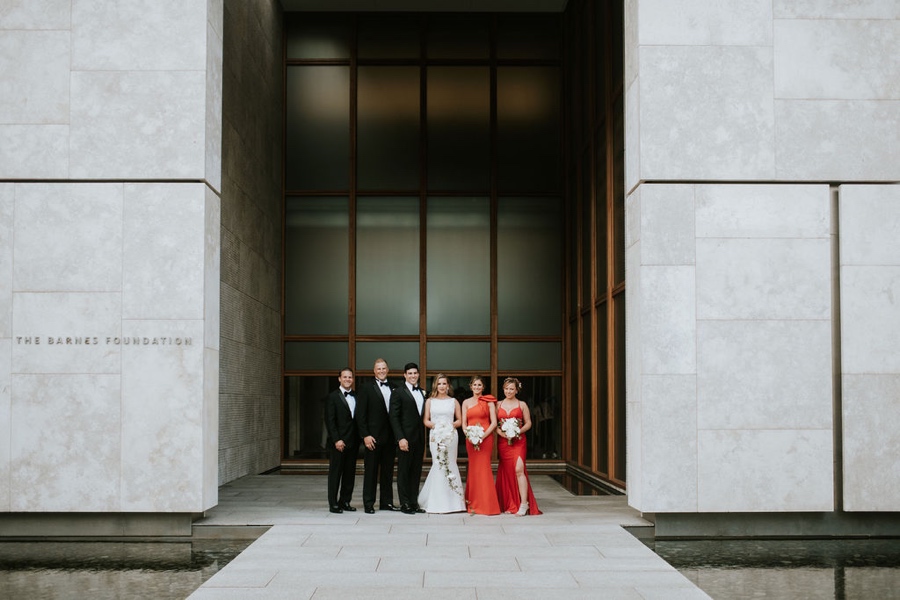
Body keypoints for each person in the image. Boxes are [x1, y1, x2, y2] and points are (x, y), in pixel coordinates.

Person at [417, 373, 466, 513]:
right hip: (436, 435)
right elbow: (426, 420)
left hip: (450, 435)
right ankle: (437, 502)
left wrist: (449, 426)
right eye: (439, 383)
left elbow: (459, 420)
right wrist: (436, 427)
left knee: (450, 463)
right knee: (438, 464)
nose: (442, 386)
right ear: (435, 386)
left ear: (448, 385)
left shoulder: (454, 401)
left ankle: (454, 502)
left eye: (444, 383)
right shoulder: (430, 401)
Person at [355, 358, 399, 514]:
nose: (381, 371)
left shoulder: (394, 387)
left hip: (390, 438)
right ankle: (368, 503)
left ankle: (386, 503)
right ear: (374, 371)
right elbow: (360, 415)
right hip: (372, 438)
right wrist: (365, 435)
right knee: (371, 472)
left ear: (388, 370)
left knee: (387, 472)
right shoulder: (366, 388)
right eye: (378, 368)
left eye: (384, 368)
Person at [495, 377, 541, 516]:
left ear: (516, 390)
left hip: (519, 441)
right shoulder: (497, 405)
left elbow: (528, 423)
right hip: (504, 442)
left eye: (511, 389)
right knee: (508, 471)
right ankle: (510, 502)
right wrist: (502, 434)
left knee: (519, 469)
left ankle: (524, 504)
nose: (509, 391)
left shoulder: (522, 405)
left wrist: (517, 431)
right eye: (506, 388)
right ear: (503, 389)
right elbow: (494, 424)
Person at [389, 362, 427, 514]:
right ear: (405, 375)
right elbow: (394, 417)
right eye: (409, 373)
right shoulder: (398, 392)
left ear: (418, 374)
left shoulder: (423, 392)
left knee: (416, 471)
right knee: (404, 471)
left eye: (415, 373)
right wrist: (400, 438)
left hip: (419, 438)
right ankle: (404, 503)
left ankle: (413, 502)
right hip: (405, 438)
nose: (413, 376)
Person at [461, 375, 500, 515]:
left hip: (486, 439)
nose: (477, 387)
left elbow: (494, 423)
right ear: (470, 386)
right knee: (473, 469)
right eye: (474, 385)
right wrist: (469, 435)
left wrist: (482, 436)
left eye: (479, 385)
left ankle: (487, 505)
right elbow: (464, 423)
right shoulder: (465, 402)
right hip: (471, 440)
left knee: (484, 468)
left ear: (483, 387)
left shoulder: (489, 401)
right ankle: (473, 503)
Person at [324, 367, 359, 514]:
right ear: (339, 379)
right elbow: (330, 421)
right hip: (338, 443)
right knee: (335, 474)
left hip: (353, 441)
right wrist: (336, 439)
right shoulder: (332, 397)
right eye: (345, 377)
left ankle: (345, 501)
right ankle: (333, 504)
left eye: (350, 377)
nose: (347, 379)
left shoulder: (357, 396)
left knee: (349, 474)